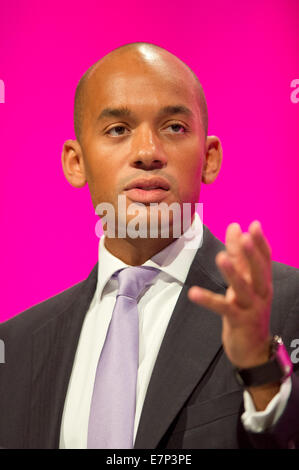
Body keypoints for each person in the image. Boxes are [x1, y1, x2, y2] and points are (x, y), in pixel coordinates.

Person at [0, 42, 298, 449]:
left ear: (209, 157)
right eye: (118, 130)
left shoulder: (286, 306)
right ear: (76, 162)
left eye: (174, 127)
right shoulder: (16, 347)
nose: (147, 153)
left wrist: (260, 370)